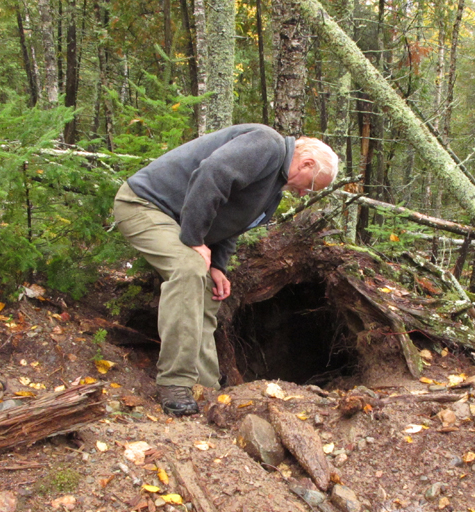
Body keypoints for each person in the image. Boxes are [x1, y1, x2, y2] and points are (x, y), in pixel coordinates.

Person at [114, 123, 339, 416]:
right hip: (144, 204)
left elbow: (231, 222)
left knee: (208, 289)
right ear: (307, 163)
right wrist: (194, 239)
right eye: (310, 186)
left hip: (177, 220)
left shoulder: (274, 190)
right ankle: (174, 383)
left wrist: (218, 265)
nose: (303, 194)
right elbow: (211, 175)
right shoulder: (267, 144)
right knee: (188, 268)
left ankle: (206, 387)